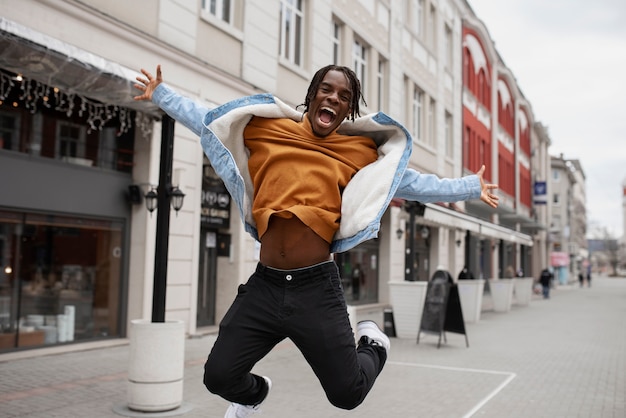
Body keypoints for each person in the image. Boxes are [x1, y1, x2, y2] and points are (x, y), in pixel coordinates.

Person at [134, 64, 499, 416]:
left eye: (344, 95)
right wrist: (161, 94)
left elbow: (413, 183)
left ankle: (373, 344)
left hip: (315, 289)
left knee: (347, 394)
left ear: (349, 109)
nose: (334, 98)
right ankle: (255, 395)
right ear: (312, 95)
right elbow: (207, 122)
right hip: (265, 285)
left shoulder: (359, 154)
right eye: (327, 89)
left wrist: (468, 186)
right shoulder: (268, 130)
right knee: (218, 375)